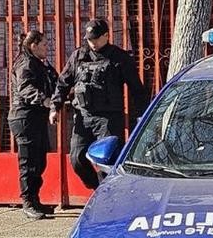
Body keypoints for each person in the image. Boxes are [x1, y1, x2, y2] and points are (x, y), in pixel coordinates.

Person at [50, 18, 148, 190]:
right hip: (83, 116)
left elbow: (136, 88)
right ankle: (98, 189)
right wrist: (55, 106)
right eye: (89, 39)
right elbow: (63, 83)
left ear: (106, 36)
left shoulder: (119, 57)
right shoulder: (78, 56)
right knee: (77, 158)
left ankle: (109, 195)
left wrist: (143, 114)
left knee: (107, 161)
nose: (93, 43)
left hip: (109, 118)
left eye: (96, 38)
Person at [8, 29, 58, 220]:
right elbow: (25, 89)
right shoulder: (25, 63)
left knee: (39, 160)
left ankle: (35, 199)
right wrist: (44, 100)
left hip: (36, 117)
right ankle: (28, 201)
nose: (47, 48)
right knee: (28, 161)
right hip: (24, 117)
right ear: (33, 45)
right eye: (44, 44)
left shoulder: (39, 64)